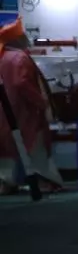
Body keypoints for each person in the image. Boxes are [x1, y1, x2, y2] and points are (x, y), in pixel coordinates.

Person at [0, 19, 65, 194]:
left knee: (6, 148)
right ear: (17, 39)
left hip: (4, 112)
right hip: (24, 111)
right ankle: (46, 180)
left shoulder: (2, 56)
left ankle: (5, 183)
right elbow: (21, 83)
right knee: (36, 145)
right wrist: (41, 102)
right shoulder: (20, 57)